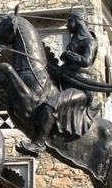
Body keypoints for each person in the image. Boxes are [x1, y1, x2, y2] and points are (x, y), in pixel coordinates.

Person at [20, 11, 100, 155]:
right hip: (67, 83)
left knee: (51, 104)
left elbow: (86, 61)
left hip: (81, 89)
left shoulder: (89, 41)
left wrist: (70, 55)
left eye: (69, 21)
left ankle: (39, 144)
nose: (68, 25)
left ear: (77, 21)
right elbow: (71, 67)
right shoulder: (74, 40)